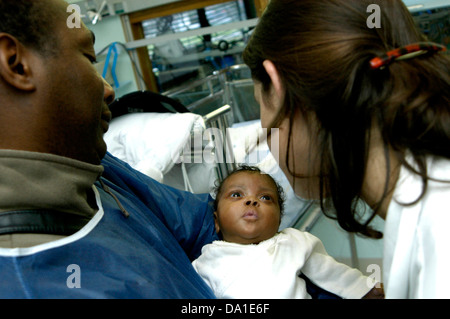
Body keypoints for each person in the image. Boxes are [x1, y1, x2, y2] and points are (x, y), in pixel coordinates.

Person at [0, 0, 219, 298]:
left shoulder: (95, 168)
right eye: (89, 59)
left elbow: (203, 223)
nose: (109, 90)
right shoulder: (31, 283)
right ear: (16, 63)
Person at [242, 0, 450, 298]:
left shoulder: (438, 237)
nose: (264, 130)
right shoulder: (427, 205)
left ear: (278, 86)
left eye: (259, 104)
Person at [192, 166, 383, 299]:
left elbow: (328, 269)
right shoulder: (208, 258)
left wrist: (362, 288)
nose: (251, 200)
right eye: (236, 195)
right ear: (216, 221)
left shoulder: (293, 241)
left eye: (265, 197)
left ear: (278, 219)